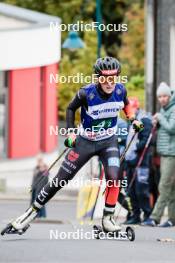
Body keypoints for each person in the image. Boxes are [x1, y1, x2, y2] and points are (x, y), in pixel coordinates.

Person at [2, 57, 143, 233]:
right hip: (85, 141)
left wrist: (132, 119)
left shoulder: (121, 90)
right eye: (104, 78)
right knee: (61, 179)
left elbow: (126, 105)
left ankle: (108, 219)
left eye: (113, 78)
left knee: (114, 177)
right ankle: (28, 215)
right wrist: (70, 132)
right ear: (97, 78)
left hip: (108, 141)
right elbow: (70, 108)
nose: (109, 83)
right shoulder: (86, 93)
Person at [143, 82, 175, 227]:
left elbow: (172, 128)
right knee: (171, 187)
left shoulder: (173, 109)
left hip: (171, 153)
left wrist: (161, 119)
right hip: (165, 152)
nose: (162, 99)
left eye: (164, 96)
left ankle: (155, 217)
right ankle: (172, 219)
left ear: (169, 96)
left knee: (163, 186)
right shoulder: (164, 110)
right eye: (160, 96)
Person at [124, 97, 153, 224]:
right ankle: (135, 216)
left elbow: (145, 139)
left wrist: (136, 149)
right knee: (130, 190)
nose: (130, 111)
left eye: (132, 108)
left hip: (141, 161)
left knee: (141, 190)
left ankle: (147, 216)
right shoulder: (131, 120)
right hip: (130, 160)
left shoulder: (144, 119)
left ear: (136, 107)